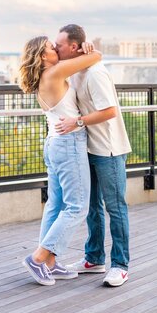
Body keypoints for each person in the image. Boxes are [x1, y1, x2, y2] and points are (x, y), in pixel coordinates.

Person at [19, 35, 101, 286]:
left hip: (54, 144)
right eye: (49, 47)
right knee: (77, 207)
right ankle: (37, 258)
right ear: (43, 56)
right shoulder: (54, 73)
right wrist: (88, 48)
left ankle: (49, 264)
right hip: (68, 145)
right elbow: (96, 57)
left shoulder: (44, 76)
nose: (54, 48)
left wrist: (81, 51)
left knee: (55, 206)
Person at [54, 24, 132, 287]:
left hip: (108, 150)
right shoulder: (76, 69)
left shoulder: (96, 74)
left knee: (115, 207)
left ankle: (120, 265)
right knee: (92, 208)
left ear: (74, 47)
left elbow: (110, 111)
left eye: (60, 44)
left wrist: (77, 122)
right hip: (87, 148)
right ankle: (94, 258)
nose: (55, 47)